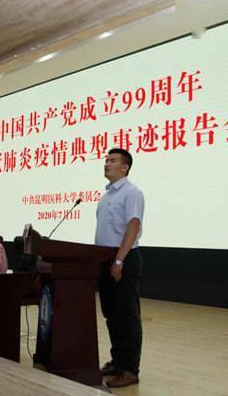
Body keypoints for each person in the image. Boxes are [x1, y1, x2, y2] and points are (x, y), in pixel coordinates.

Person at [95, 148, 145, 388]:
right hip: (105, 259)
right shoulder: (106, 196)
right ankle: (117, 361)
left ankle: (130, 369)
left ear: (125, 167)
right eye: (106, 160)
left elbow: (133, 226)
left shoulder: (131, 192)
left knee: (127, 316)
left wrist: (119, 260)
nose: (107, 163)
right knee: (112, 315)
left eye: (112, 160)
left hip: (123, 259)